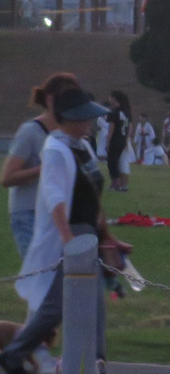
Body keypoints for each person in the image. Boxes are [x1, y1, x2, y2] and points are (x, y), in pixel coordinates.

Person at [0, 87, 129, 374]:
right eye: (85, 118)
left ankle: (95, 363)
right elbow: (55, 196)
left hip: (87, 234)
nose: (89, 124)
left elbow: (93, 197)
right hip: (68, 235)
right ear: (70, 118)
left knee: (92, 305)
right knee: (58, 305)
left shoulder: (83, 148)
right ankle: (16, 354)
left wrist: (106, 235)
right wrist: (67, 240)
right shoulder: (56, 149)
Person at [1, 74, 76, 259]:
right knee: (39, 277)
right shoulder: (30, 131)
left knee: (58, 276)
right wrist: (45, 169)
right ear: (50, 100)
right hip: (28, 214)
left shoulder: (67, 133)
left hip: (55, 214)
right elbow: (7, 178)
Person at [106, 91, 134, 192]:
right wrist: (126, 138)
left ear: (114, 98)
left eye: (110, 97)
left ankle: (116, 182)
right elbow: (130, 127)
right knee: (119, 161)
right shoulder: (126, 112)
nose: (109, 99)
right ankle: (121, 184)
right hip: (123, 140)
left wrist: (108, 141)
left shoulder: (114, 112)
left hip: (115, 139)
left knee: (111, 162)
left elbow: (111, 127)